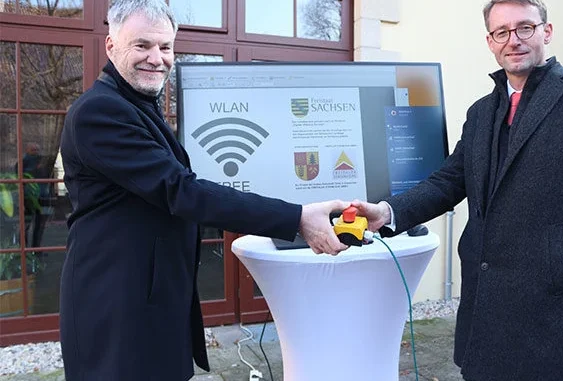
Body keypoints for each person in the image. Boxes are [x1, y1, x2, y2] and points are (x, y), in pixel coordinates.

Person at [58, 0, 349, 379]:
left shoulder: (136, 103)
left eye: (165, 47)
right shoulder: (100, 112)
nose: (156, 58)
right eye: (142, 45)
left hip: (149, 300)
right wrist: (296, 217)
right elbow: (181, 191)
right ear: (111, 47)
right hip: (117, 306)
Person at [352, 1, 563, 380]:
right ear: (490, 41)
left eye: (525, 28)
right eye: (501, 32)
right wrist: (388, 213)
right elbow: (448, 181)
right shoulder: (481, 112)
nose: (514, 40)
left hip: (553, 316)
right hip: (485, 312)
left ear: (546, 32)